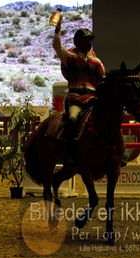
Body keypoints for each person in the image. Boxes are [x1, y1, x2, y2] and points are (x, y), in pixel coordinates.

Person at [53, 17, 105, 167]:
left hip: (93, 101)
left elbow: (103, 80)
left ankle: (114, 153)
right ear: (78, 42)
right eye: (86, 40)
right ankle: (71, 153)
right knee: (73, 119)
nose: (89, 43)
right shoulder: (69, 57)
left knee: (107, 119)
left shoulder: (96, 62)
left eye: (90, 40)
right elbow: (57, 47)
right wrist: (57, 31)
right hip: (76, 99)